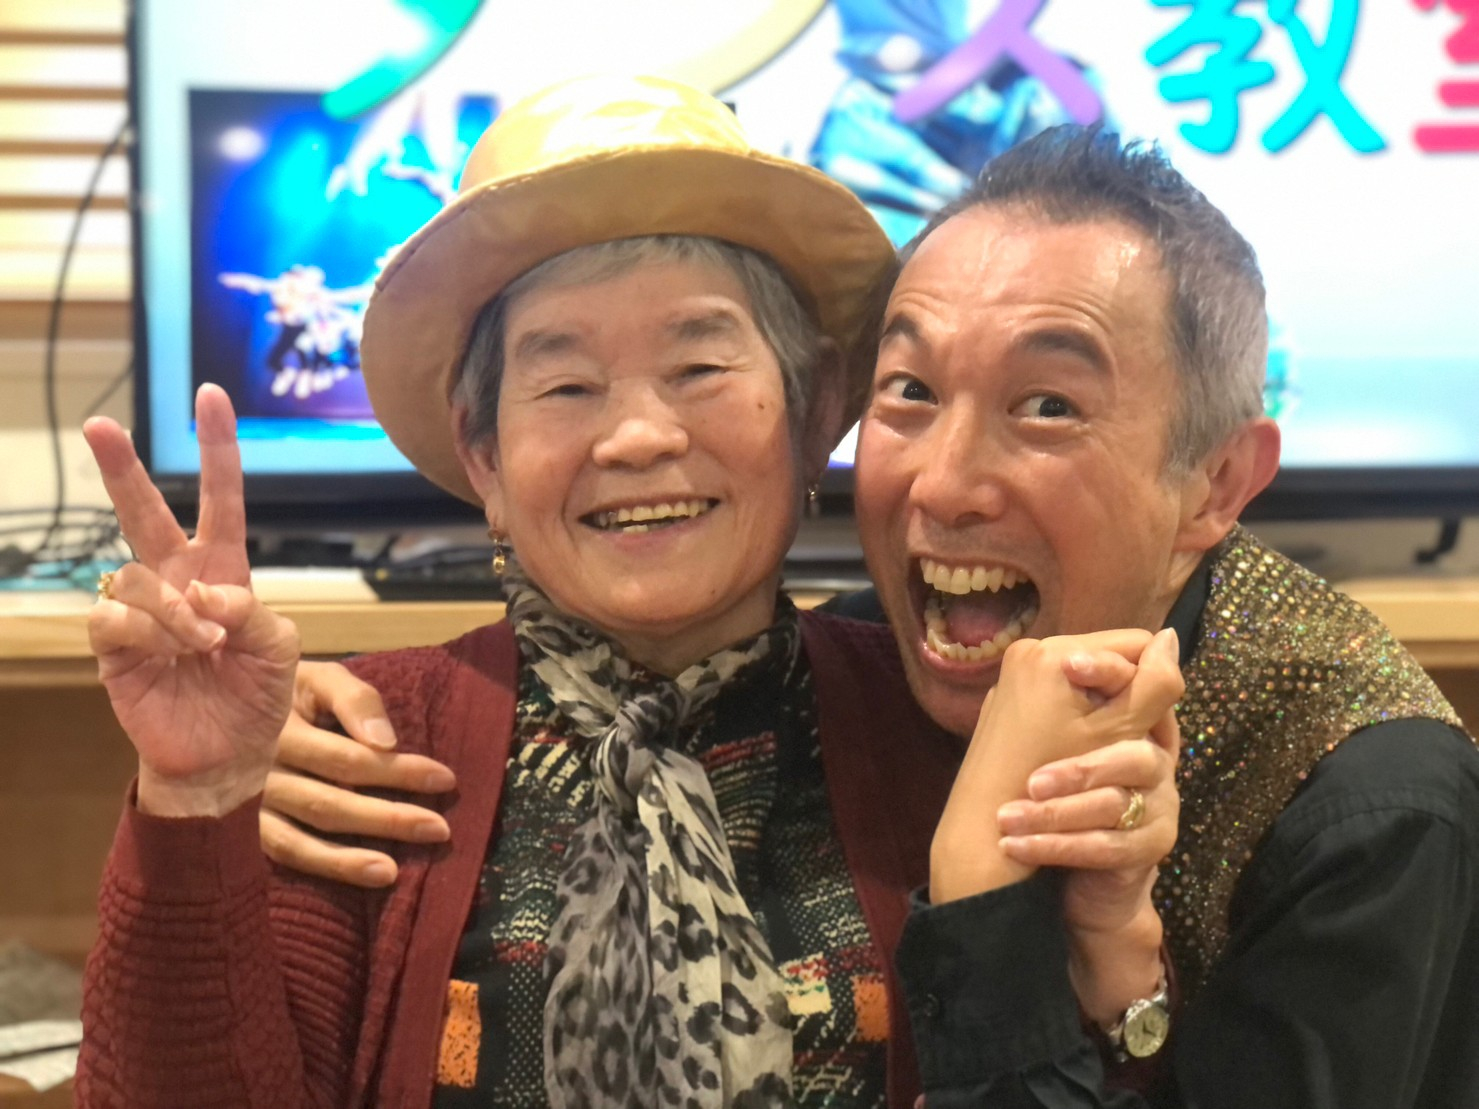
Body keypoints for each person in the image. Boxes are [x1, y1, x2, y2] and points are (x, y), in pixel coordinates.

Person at [273, 125, 1479, 1107]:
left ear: (1215, 482)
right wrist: (250, 764)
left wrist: (1054, 928)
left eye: (1048, 404)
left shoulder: (1372, 805)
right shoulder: (867, 662)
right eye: (909, 390)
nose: (943, 484)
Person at [76, 79, 1182, 1109]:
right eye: (565, 384)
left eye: (699, 367)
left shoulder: (950, 732)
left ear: (812, 410)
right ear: (484, 455)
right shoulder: (355, 754)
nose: (640, 435)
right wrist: (196, 795)